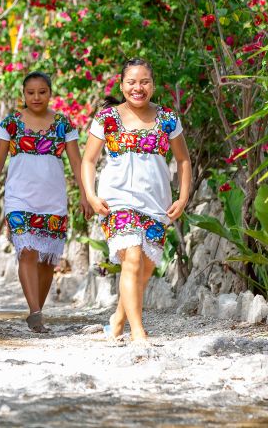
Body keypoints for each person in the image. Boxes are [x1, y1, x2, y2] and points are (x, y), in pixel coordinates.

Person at [81, 58, 191, 345]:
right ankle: (138, 332)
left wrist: (183, 196)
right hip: (116, 200)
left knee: (145, 267)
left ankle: (117, 320)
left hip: (156, 202)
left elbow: (183, 159)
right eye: (131, 82)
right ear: (121, 85)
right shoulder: (107, 118)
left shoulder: (167, 118)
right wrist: (92, 195)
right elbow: (89, 160)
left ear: (152, 85)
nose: (137, 88)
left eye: (144, 82)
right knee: (131, 258)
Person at [0, 72, 92, 333]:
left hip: (52, 199)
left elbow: (77, 162)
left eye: (42, 92)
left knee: (46, 260)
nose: (36, 97)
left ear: (50, 93)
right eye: (30, 92)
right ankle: (34, 312)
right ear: (23, 94)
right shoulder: (10, 124)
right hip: (19, 197)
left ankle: (37, 313)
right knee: (28, 251)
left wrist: (86, 194)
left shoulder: (64, 124)